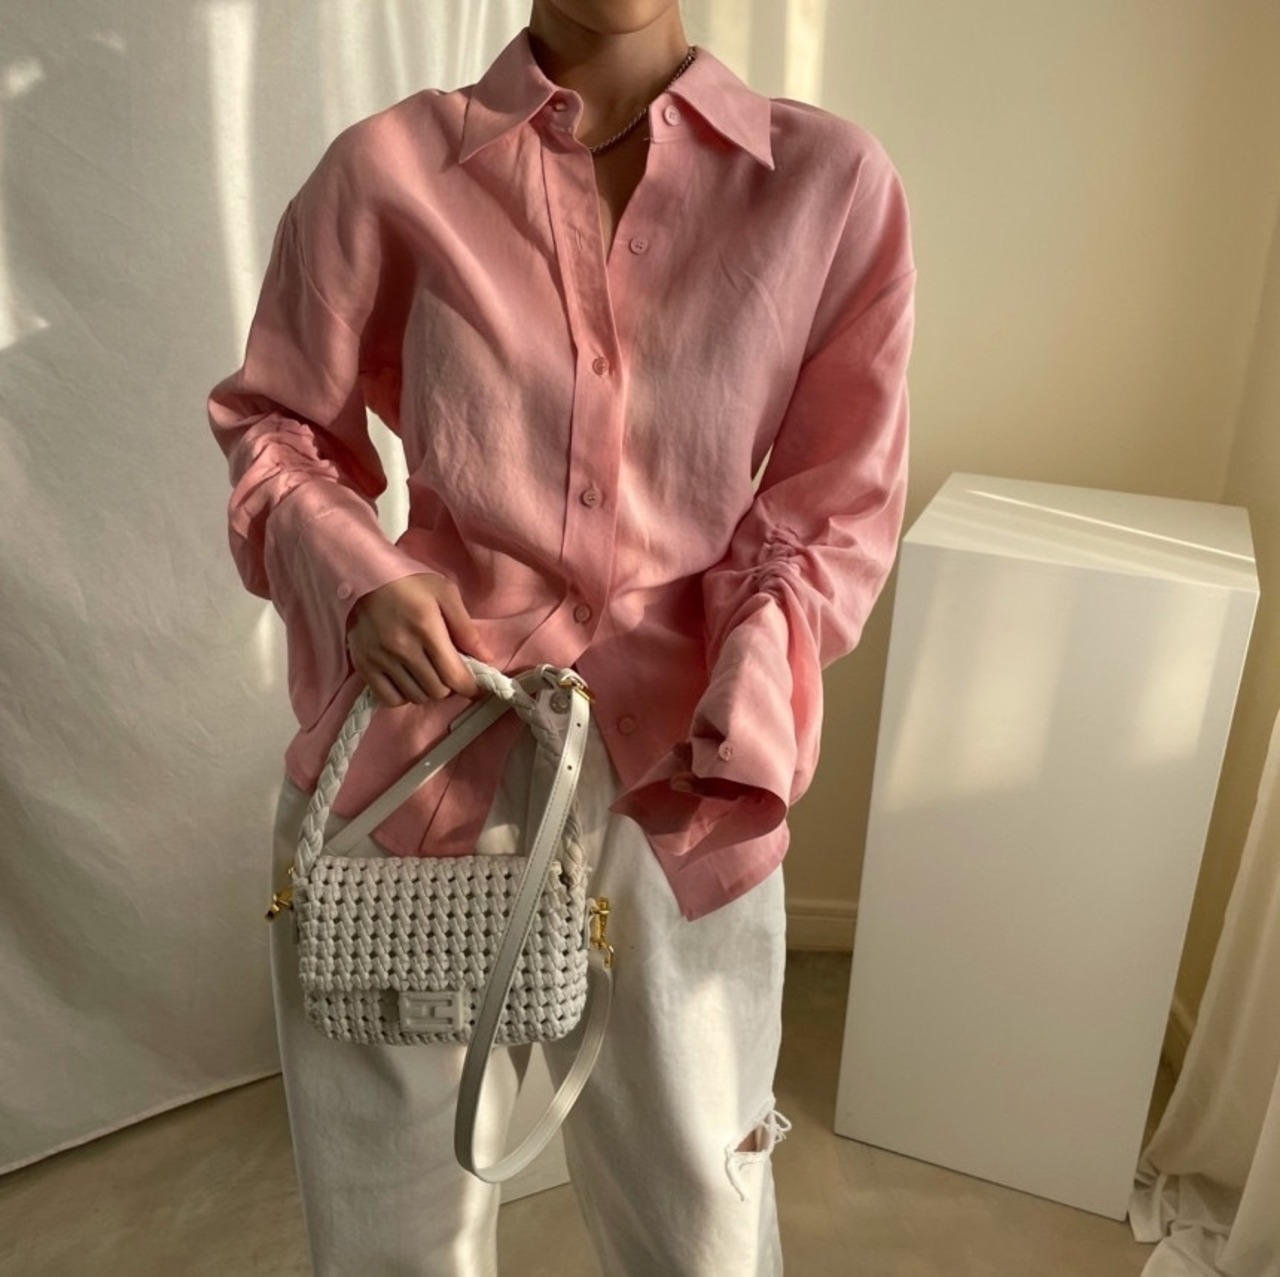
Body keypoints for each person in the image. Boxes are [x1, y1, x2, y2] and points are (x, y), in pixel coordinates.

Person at [207, 1, 914, 1272]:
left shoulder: (827, 183)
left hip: (681, 777)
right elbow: (274, 427)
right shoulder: (390, 168)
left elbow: (835, 500)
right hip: (425, 761)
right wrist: (361, 579)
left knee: (701, 1219)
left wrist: (750, 682)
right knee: (391, 1229)